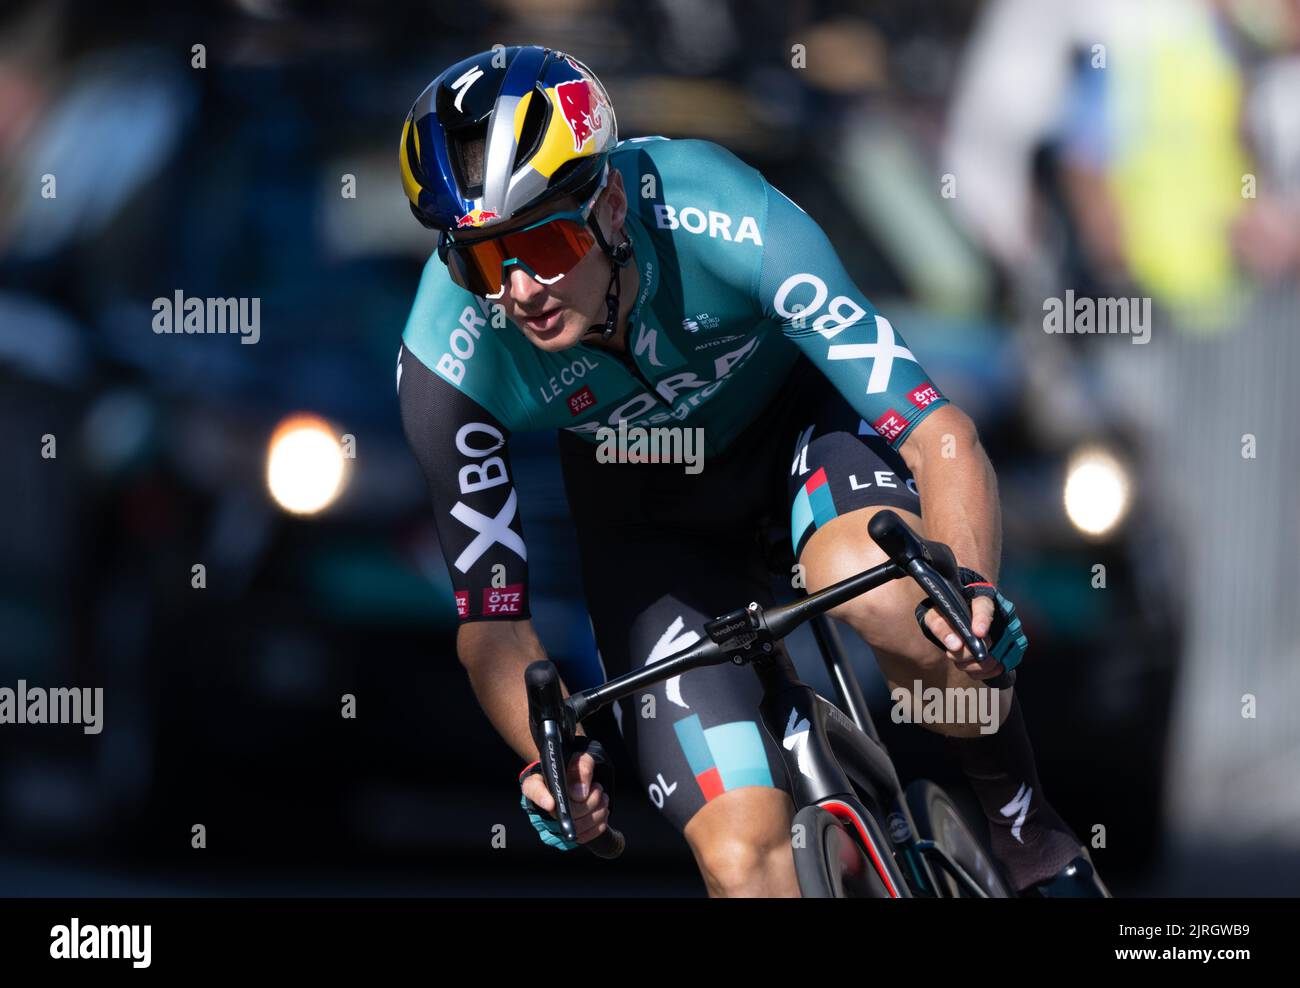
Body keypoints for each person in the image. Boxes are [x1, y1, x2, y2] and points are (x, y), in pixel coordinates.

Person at [396, 45, 1108, 897]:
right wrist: (553, 755)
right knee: (741, 858)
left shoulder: (714, 208)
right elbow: (493, 624)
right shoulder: (447, 360)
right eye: (481, 261)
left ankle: (1024, 828)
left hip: (801, 434)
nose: (517, 290)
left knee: (890, 595)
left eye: (544, 243)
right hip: (645, 518)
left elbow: (939, 434)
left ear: (611, 204)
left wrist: (972, 591)